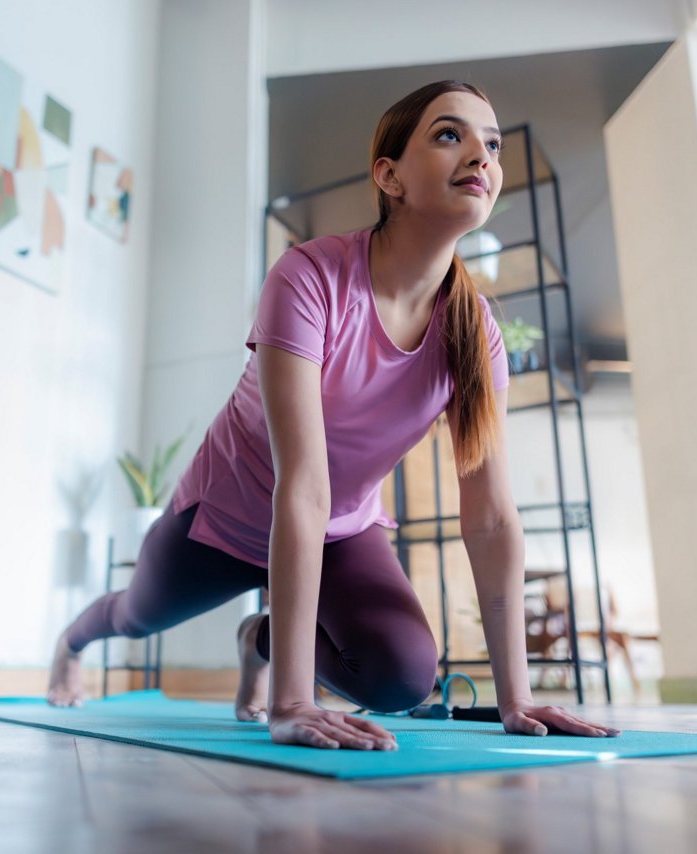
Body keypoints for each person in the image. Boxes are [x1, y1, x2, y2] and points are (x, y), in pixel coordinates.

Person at [47, 80, 620, 750]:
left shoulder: (476, 332)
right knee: (136, 615)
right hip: (228, 513)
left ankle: (258, 639)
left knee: (404, 675)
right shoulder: (308, 278)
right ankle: (69, 641)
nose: (481, 155)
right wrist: (293, 702)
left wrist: (516, 701)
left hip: (341, 528)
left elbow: (490, 516)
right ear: (390, 176)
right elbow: (303, 482)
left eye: (491, 144)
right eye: (449, 134)